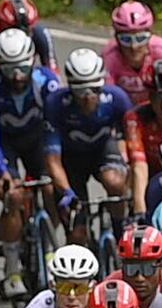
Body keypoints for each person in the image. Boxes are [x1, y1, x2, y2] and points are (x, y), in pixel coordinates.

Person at [0, 24, 62, 245]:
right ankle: (12, 269)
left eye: (22, 68)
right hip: (5, 143)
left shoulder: (47, 81)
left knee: (51, 188)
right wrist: (3, 173)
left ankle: (47, 239)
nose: (18, 77)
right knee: (14, 196)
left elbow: (58, 125)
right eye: (10, 70)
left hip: (38, 140)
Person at [45, 39, 137, 229]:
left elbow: (133, 144)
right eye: (80, 91)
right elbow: (53, 160)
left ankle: (120, 232)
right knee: (77, 233)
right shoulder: (55, 103)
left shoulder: (117, 99)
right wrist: (66, 191)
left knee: (114, 183)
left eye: (94, 90)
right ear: (70, 88)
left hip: (102, 149)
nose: (88, 98)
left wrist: (129, 180)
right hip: (71, 159)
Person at [104, 0, 162, 148]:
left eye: (140, 38)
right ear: (116, 38)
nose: (134, 47)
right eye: (126, 39)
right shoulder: (110, 56)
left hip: (156, 111)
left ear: (150, 36)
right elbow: (108, 100)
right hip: (123, 116)